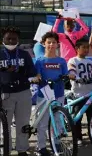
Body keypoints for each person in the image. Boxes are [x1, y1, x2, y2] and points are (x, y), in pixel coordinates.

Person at [0, 26, 37, 156]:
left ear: (18, 40)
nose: (11, 41)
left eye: (14, 39)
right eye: (8, 38)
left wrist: (33, 77)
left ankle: (22, 149)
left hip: (23, 93)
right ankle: (6, 150)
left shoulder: (24, 54)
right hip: (5, 94)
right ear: (3, 40)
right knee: (5, 126)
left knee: (23, 124)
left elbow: (32, 72)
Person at [34, 32, 72, 156]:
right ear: (44, 44)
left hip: (59, 94)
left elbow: (66, 74)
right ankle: (41, 147)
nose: (51, 44)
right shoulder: (39, 61)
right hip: (44, 94)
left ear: (57, 44)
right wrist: (38, 76)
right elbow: (37, 75)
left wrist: (69, 76)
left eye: (54, 42)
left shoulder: (61, 61)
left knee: (57, 120)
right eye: (48, 42)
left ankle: (56, 143)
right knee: (43, 122)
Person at [67, 38, 92, 146]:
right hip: (78, 94)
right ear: (77, 48)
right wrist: (77, 78)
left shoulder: (90, 61)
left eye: (87, 47)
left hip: (89, 93)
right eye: (83, 47)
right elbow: (72, 72)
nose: (86, 49)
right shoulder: (72, 60)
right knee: (77, 118)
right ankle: (78, 137)